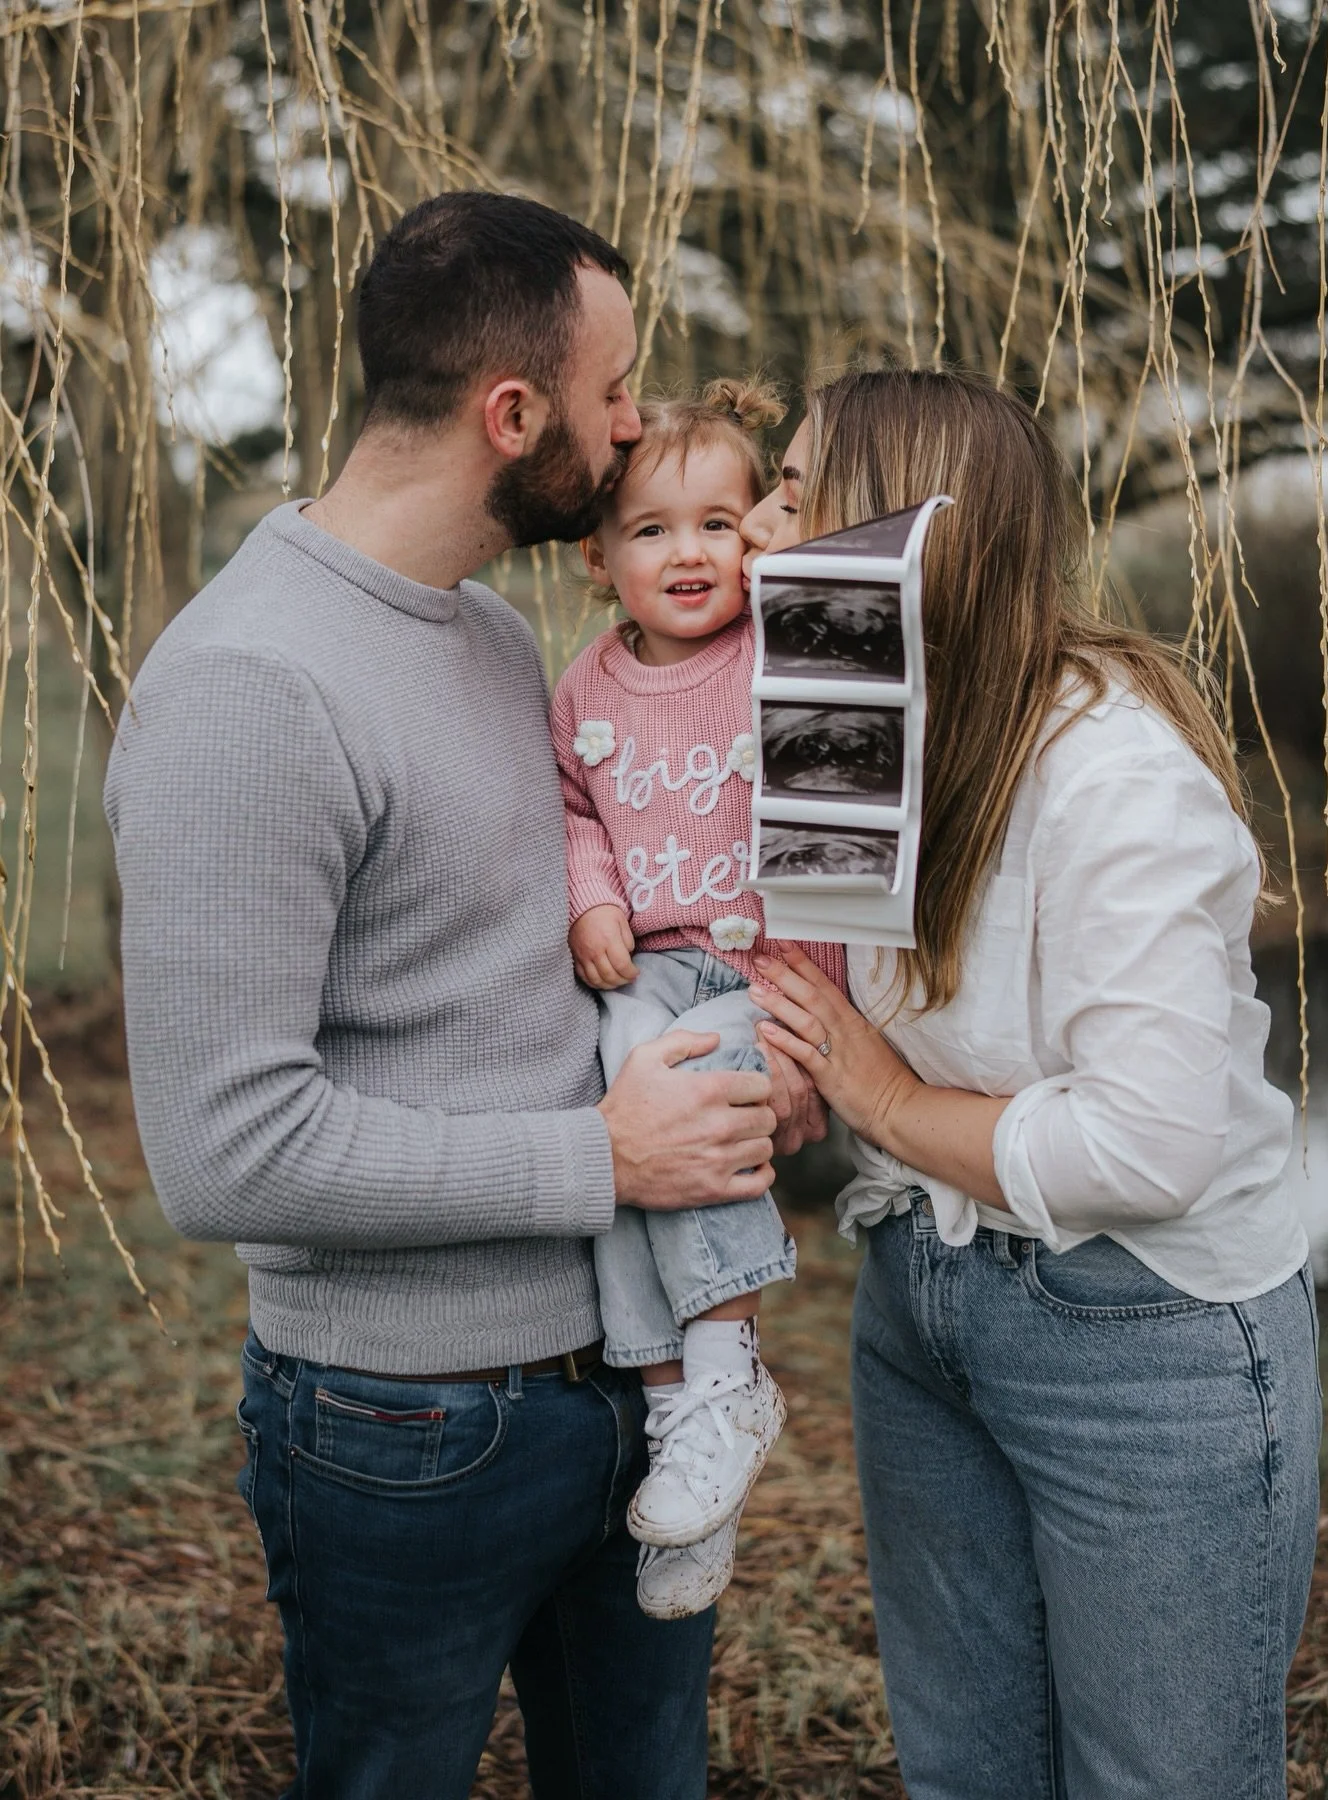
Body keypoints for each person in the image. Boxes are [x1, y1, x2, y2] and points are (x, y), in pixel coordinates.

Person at [103, 191, 822, 1800]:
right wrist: (605, 1161)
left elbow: (669, 858)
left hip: (622, 1384)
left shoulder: (503, 639)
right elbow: (225, 1153)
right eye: (614, 391)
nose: (636, 427)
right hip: (403, 1429)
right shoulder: (247, 691)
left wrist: (761, 1053)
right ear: (514, 416)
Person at [740, 368, 1321, 1800]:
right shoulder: (852, 720)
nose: (755, 524)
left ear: (903, 535)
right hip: (926, 1300)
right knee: (969, 1770)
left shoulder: (1114, 775)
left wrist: (876, 1102)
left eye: (796, 494)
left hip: (1145, 1334)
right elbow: (797, 969)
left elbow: (1150, 1143)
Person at [551, 378, 848, 1618]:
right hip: (650, 970)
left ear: (755, 537)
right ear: (598, 555)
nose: (689, 554)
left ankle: (725, 1372)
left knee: (690, 1101)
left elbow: (836, 813)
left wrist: (809, 1031)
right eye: (652, 529)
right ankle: (679, 1410)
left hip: (760, 972)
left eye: (718, 523)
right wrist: (590, 900)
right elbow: (571, 807)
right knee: (619, 1128)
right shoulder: (582, 690)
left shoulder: (779, 652)